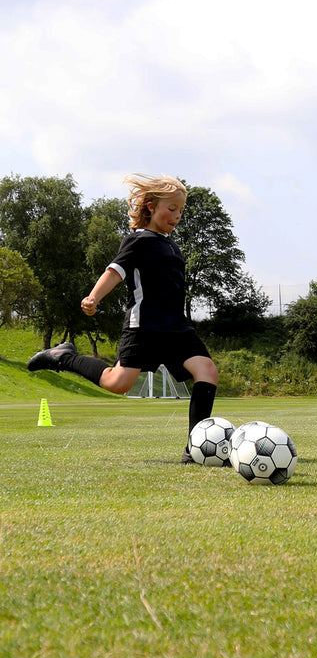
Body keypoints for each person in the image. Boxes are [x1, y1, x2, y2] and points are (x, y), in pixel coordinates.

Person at [27, 173, 219, 463]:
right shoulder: (138, 240)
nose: (177, 215)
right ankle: (61, 357)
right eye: (171, 208)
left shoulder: (172, 245)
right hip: (144, 327)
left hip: (177, 328)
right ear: (152, 206)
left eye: (181, 210)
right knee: (119, 383)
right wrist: (94, 297)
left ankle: (195, 449)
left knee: (207, 371)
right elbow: (115, 271)